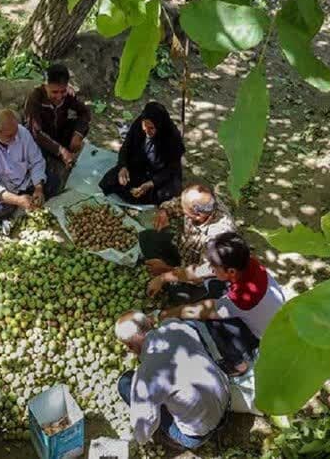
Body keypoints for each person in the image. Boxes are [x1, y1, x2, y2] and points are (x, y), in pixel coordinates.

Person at [114, 310, 230, 451]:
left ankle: (175, 442)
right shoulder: (176, 326)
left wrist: (139, 439)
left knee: (125, 383)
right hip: (227, 403)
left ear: (130, 348)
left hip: (198, 435)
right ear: (150, 322)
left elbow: (143, 429)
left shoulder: (145, 375)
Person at [160, 232, 285, 340]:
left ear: (231, 272)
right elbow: (199, 271)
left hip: (262, 335)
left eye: (214, 266)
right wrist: (163, 278)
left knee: (208, 324)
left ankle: (239, 362)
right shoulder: (247, 261)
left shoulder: (242, 299)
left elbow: (199, 310)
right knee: (213, 284)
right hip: (276, 312)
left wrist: (164, 315)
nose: (211, 268)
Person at [142, 184, 236, 302]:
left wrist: (165, 273)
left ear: (198, 216)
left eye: (185, 211)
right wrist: (164, 211)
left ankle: (170, 273)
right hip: (186, 249)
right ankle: (170, 268)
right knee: (146, 237)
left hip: (201, 274)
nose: (180, 209)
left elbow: (200, 274)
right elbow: (177, 204)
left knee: (178, 296)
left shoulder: (218, 239)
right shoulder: (203, 200)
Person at [23, 63, 91, 197]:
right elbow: (36, 132)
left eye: (62, 91)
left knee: (81, 127)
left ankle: (63, 156)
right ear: (45, 85)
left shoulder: (68, 95)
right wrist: (60, 150)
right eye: (54, 92)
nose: (59, 97)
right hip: (40, 140)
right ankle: (56, 157)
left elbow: (85, 113)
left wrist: (77, 135)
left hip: (59, 132)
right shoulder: (34, 98)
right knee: (51, 187)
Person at [99, 102, 184, 205]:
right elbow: (126, 146)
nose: (147, 131)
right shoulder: (139, 124)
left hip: (160, 173)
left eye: (151, 128)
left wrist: (152, 183)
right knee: (111, 180)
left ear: (159, 126)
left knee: (165, 193)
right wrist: (123, 166)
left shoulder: (172, 137)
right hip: (140, 165)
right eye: (145, 126)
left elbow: (172, 168)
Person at [0, 109, 48, 223]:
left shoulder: (22, 132)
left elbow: (37, 161)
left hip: (25, 181)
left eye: (15, 133)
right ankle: (21, 201)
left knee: (51, 183)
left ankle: (28, 197)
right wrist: (17, 200)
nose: (15, 138)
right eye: (9, 136)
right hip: (6, 190)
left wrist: (38, 188)